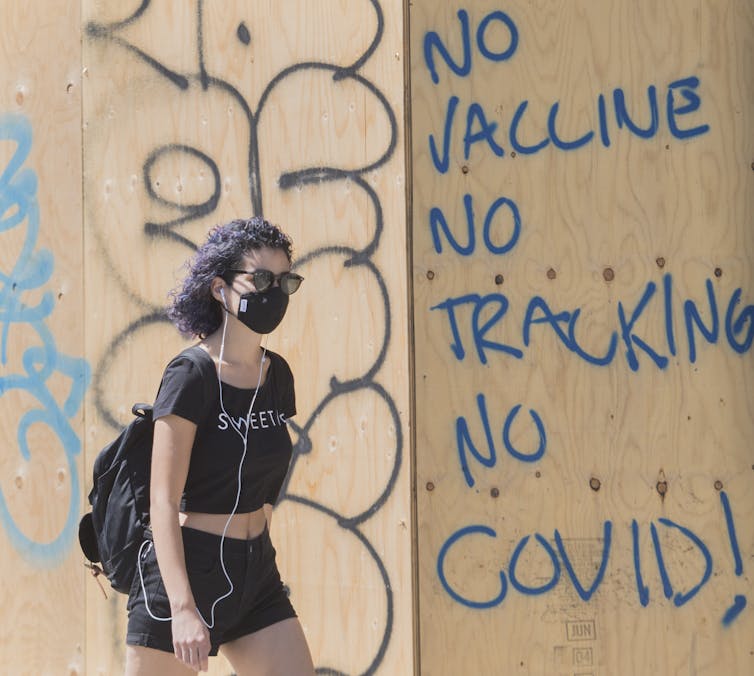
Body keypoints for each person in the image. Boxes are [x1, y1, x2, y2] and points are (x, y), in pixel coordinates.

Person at [125, 217, 315, 675]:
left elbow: (266, 478)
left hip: (255, 571)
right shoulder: (191, 375)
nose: (274, 292)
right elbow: (163, 501)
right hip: (189, 571)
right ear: (219, 288)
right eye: (261, 278)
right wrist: (184, 607)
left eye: (285, 280)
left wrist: (256, 544)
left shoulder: (278, 376)